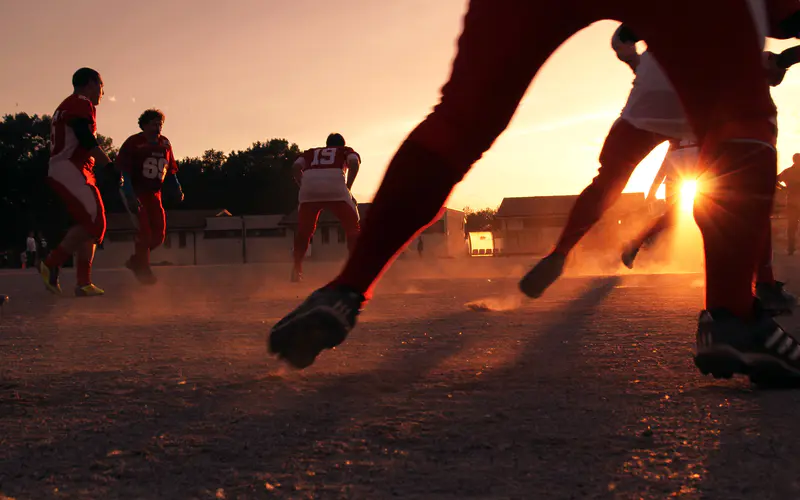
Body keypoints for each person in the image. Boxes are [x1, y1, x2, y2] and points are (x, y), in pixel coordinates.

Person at [269, 0, 786, 382]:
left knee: (460, 121)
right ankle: (735, 312)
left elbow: (623, 46)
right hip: (695, 114)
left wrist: (632, 37)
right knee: (744, 133)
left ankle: (345, 290)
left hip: (643, 108)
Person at [40, 67, 113, 296]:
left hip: (74, 167)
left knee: (92, 224)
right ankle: (51, 263)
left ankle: (83, 281)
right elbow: (85, 137)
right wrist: (109, 165)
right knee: (94, 220)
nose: (103, 91)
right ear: (91, 83)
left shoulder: (69, 104)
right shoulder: (81, 102)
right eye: (101, 85)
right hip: (69, 166)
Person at [116, 109, 183, 284]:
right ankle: (143, 269)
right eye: (153, 123)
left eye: (160, 124)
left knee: (159, 235)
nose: (157, 127)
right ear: (144, 125)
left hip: (154, 193)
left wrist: (176, 187)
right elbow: (124, 170)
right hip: (137, 191)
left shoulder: (165, 143)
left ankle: (137, 260)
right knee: (145, 232)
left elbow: (170, 169)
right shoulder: (134, 142)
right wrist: (129, 193)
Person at [290, 133, 361, 282]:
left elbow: (296, 167)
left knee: (304, 231)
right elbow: (354, 163)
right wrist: (348, 187)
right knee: (353, 228)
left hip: (309, 189)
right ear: (342, 144)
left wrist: (303, 186)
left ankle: (296, 268)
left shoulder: (311, 152)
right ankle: (356, 268)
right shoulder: (345, 151)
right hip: (336, 186)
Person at [777, 154, 800, 254]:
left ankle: (791, 249)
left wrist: (783, 188)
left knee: (791, 226)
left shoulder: (788, 171)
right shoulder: (788, 171)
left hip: (791, 201)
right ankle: (791, 248)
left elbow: (776, 180)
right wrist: (783, 188)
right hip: (792, 202)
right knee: (791, 226)